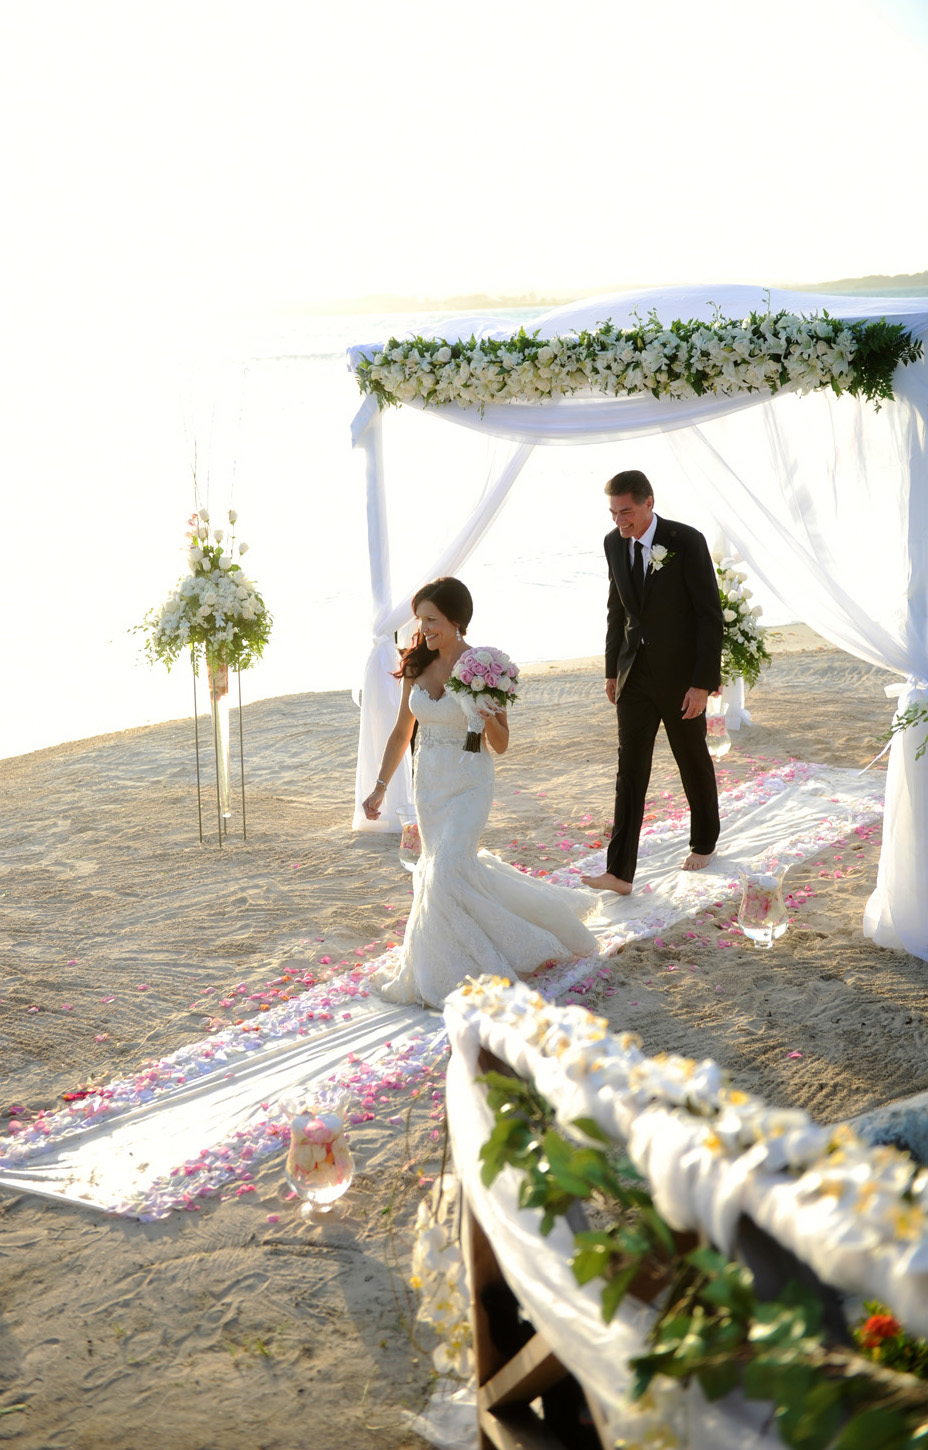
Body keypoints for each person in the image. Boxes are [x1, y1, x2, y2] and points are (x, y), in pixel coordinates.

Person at [362, 576, 598, 1007]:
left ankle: (448, 971)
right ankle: (447, 960)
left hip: (470, 781)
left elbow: (502, 744)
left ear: (456, 621)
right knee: (445, 870)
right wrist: (379, 787)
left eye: (431, 620)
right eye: (420, 620)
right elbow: (401, 732)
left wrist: (487, 715)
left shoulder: (483, 666)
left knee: (448, 869)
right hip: (429, 784)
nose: (424, 629)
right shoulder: (415, 664)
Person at [582, 470, 723, 897]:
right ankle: (620, 872)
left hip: (681, 678)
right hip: (634, 675)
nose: (619, 520)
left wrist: (702, 683)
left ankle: (705, 840)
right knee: (630, 769)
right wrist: (612, 669)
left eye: (626, 511)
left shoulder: (686, 540)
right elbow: (616, 610)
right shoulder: (612, 543)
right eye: (612, 512)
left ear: (648, 503)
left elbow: (708, 616)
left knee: (691, 756)